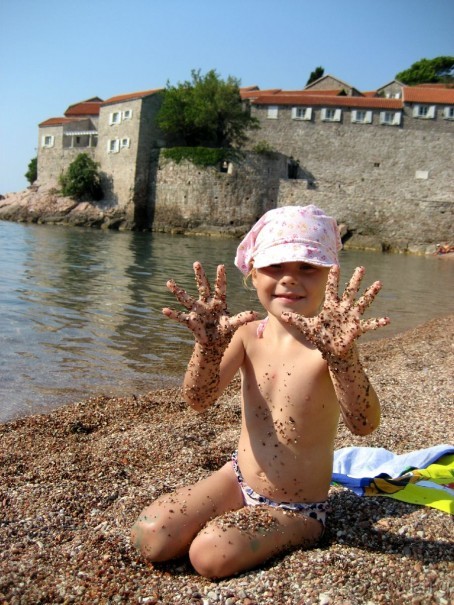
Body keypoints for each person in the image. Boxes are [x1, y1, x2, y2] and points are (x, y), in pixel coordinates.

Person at [131, 205, 390, 579]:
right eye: (274, 267)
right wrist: (207, 349)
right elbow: (198, 399)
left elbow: (364, 425)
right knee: (150, 534)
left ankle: (303, 532)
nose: (289, 279)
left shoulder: (332, 347)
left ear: (331, 275)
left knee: (209, 554)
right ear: (252, 274)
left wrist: (344, 360)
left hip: (297, 508)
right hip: (236, 477)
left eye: (307, 267)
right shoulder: (247, 335)